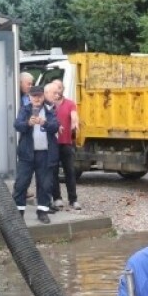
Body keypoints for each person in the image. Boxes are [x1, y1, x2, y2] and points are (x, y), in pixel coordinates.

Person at [11, 82, 57, 223]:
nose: (37, 99)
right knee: (21, 184)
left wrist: (45, 123)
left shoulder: (49, 110)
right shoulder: (24, 110)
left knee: (44, 184)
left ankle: (42, 212)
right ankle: (18, 213)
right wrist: (28, 124)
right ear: (29, 97)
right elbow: (17, 125)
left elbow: (55, 127)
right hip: (27, 154)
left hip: (45, 154)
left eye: (39, 96)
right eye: (34, 96)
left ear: (43, 97)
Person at [47, 79, 81, 211]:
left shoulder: (70, 103)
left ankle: (73, 199)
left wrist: (75, 123)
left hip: (66, 143)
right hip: (53, 144)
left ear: (63, 89)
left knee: (70, 172)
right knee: (54, 172)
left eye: (59, 88)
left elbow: (74, 115)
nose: (57, 91)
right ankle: (57, 198)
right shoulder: (49, 105)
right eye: (55, 89)